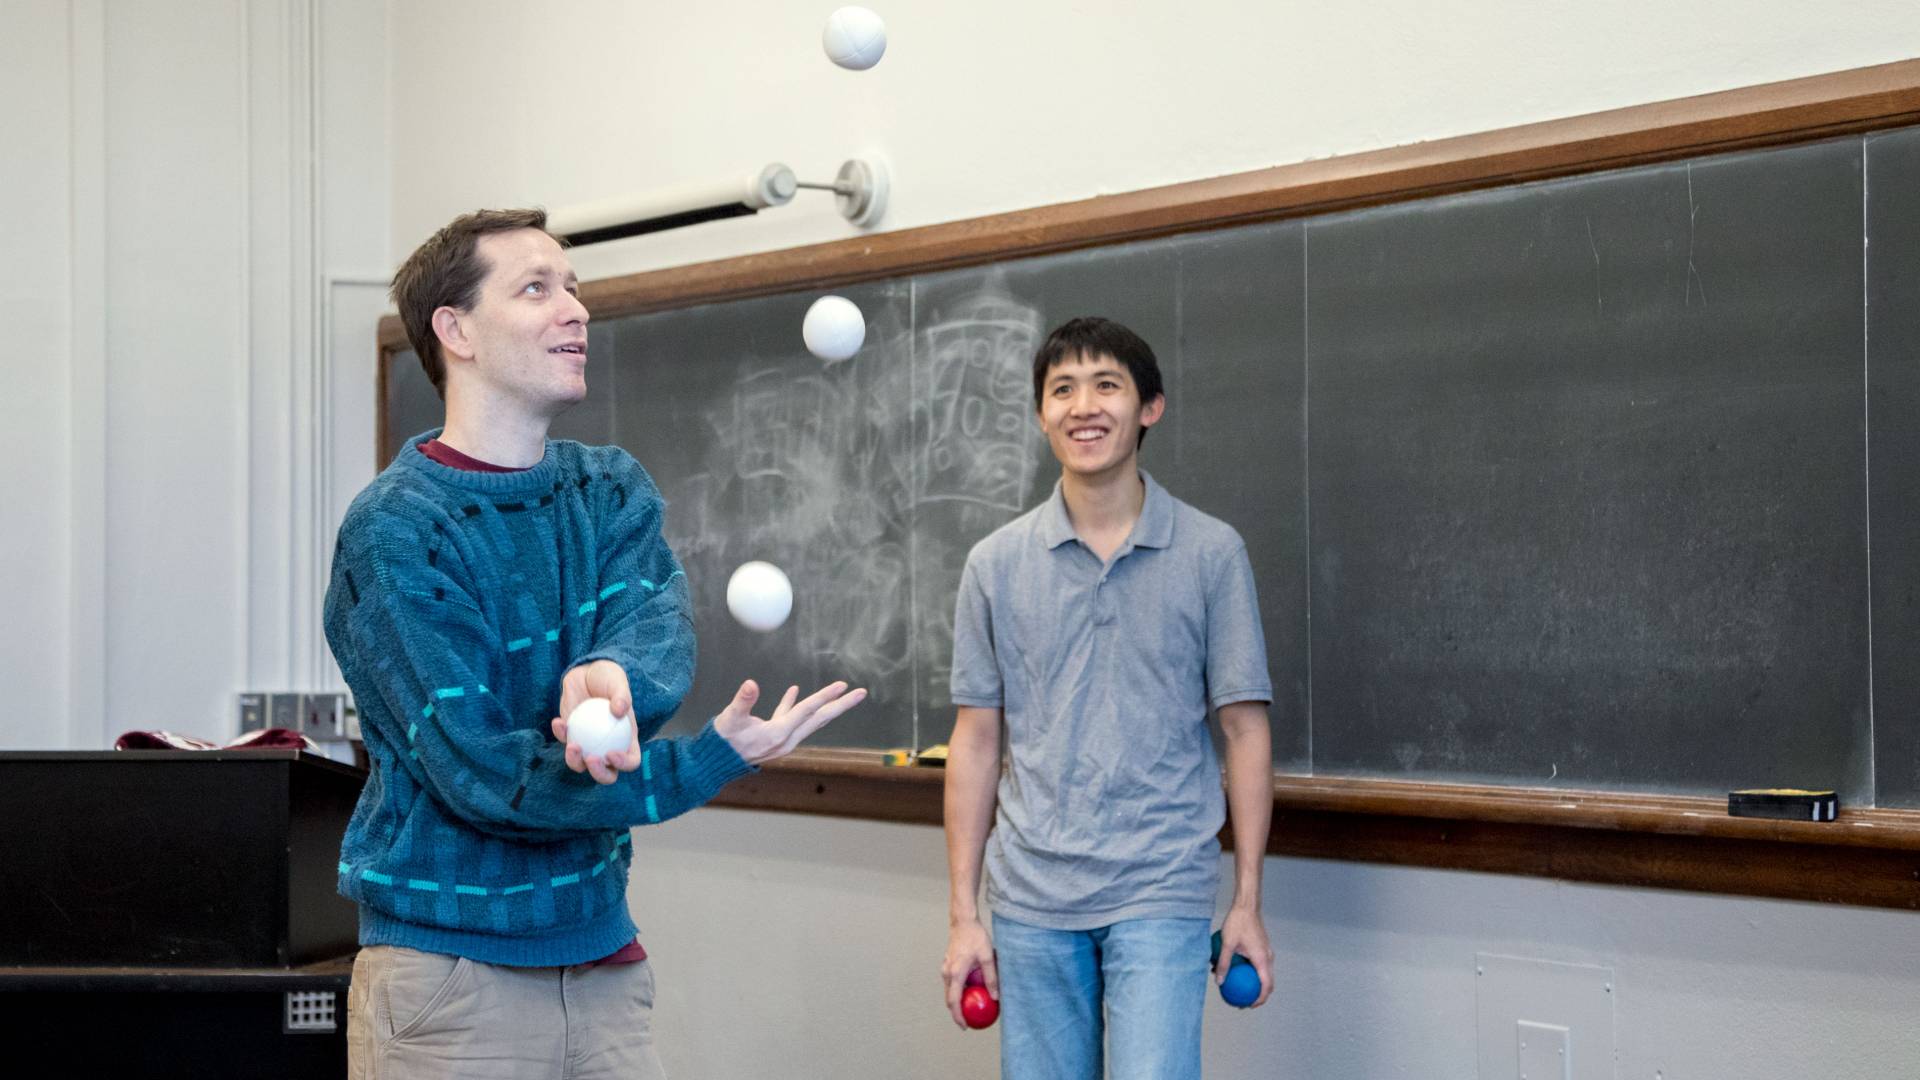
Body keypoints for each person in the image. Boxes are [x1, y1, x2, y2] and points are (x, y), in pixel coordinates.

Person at [325, 208, 865, 1079]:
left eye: (572, 286)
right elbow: (487, 776)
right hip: (450, 983)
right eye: (535, 288)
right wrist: (702, 763)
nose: (574, 308)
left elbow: (656, 626)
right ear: (454, 330)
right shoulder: (396, 532)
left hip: (607, 971)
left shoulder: (608, 488)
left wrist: (605, 673)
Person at [941, 316, 1276, 1079]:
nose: (1082, 406)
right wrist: (965, 915)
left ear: (1149, 407)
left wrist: (1248, 899)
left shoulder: (1211, 553)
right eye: (1061, 389)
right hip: (1030, 896)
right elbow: (976, 741)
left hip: (1162, 883)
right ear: (1039, 415)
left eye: (1106, 385)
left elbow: (1244, 730)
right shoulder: (993, 566)